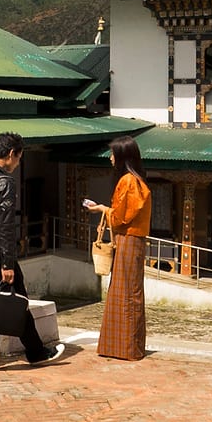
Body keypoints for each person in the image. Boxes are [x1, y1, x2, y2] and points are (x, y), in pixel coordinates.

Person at [0, 132, 66, 374]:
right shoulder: (4, 183)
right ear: (10, 154)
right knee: (18, 301)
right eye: (19, 158)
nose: (18, 163)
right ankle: (36, 352)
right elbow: (5, 227)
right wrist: (7, 263)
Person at [84, 135, 150, 361]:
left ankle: (126, 348)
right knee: (128, 291)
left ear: (123, 157)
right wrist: (104, 209)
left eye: (113, 154)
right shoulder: (136, 180)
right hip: (132, 240)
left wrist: (102, 210)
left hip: (128, 239)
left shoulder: (128, 182)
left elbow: (121, 217)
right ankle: (126, 347)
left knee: (126, 292)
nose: (110, 158)